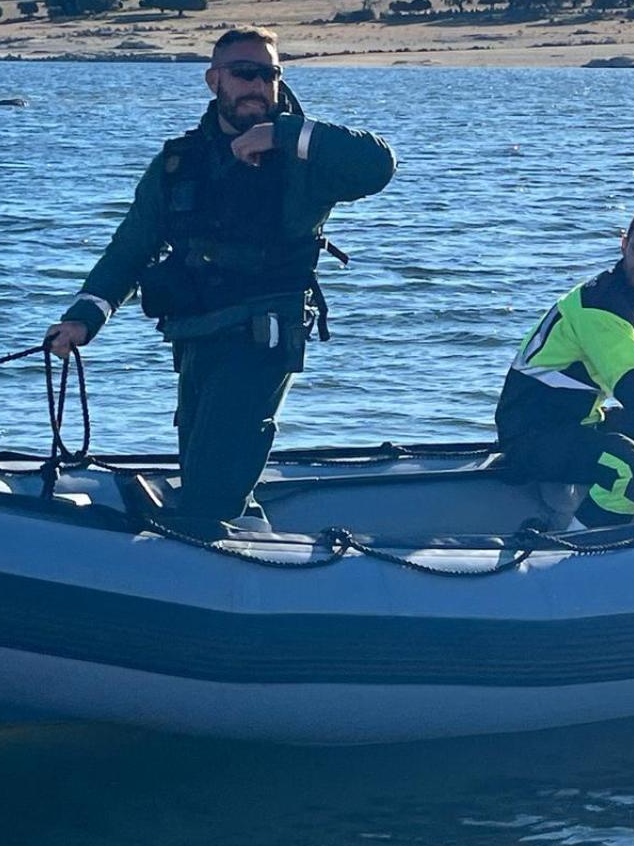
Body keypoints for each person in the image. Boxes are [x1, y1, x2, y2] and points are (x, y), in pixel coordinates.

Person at [44, 26, 396, 523]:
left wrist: (284, 133)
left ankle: (209, 545)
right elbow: (132, 246)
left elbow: (378, 163)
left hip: (264, 337)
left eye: (268, 74)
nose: (256, 85)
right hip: (195, 335)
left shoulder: (304, 157)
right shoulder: (178, 163)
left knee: (215, 479)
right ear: (214, 81)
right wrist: (84, 318)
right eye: (243, 73)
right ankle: (245, 533)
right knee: (203, 462)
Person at [495, 206, 634, 531]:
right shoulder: (600, 306)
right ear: (623, 244)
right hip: (533, 434)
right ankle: (569, 549)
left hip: (580, 423)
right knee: (632, 471)